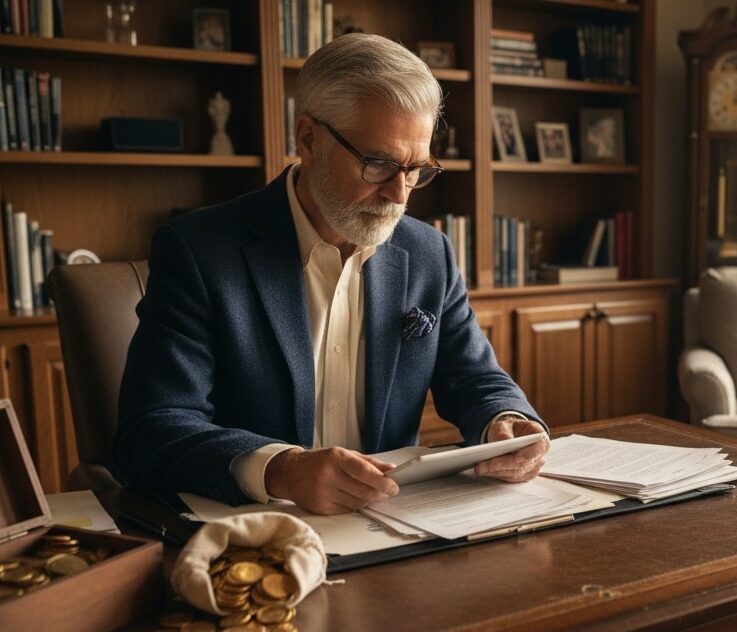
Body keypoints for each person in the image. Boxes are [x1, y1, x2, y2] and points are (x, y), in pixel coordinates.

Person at [114, 34, 549, 515]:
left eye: (416, 169)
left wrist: (506, 419)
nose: (400, 196)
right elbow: (152, 427)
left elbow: (475, 378)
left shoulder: (429, 253)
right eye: (379, 164)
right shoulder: (198, 251)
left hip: (394, 527)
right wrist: (280, 469)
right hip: (256, 526)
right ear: (308, 139)